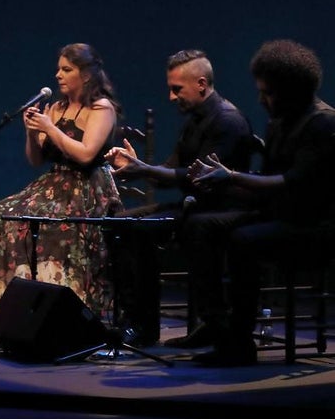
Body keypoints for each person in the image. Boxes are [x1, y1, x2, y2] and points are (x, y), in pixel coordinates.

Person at [183, 39, 335, 366]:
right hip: (278, 216)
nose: (262, 100)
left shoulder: (322, 123)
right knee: (201, 224)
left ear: (293, 90)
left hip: (312, 227)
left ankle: (240, 343)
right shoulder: (279, 122)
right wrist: (215, 184)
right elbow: (267, 183)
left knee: (242, 240)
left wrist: (231, 177)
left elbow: (290, 184)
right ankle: (217, 324)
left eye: (269, 93)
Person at [0, 43, 123, 329]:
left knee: (48, 221)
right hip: (53, 183)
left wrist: (50, 129)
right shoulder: (56, 108)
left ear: (85, 75)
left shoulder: (101, 108)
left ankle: (57, 305)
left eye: (66, 69)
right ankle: (3, 299)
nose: (58, 75)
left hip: (86, 187)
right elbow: (36, 160)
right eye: (59, 68)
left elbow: (86, 154)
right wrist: (31, 132)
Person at [105, 49, 257, 347]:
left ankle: (204, 322)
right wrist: (139, 168)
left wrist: (145, 170)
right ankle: (139, 320)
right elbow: (172, 170)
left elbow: (198, 178)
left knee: (147, 229)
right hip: (199, 205)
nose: (171, 97)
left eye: (177, 89)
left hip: (224, 210)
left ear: (201, 83)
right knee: (121, 223)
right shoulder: (194, 119)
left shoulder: (227, 120)